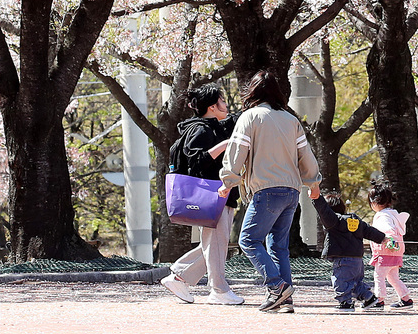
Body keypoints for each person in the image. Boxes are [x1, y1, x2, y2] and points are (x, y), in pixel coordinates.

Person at [219, 70, 322, 313]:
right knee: (278, 246)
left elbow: (236, 153)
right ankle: (284, 301)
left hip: (266, 189)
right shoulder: (290, 120)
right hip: (291, 191)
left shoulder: (250, 117)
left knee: (248, 240)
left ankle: (277, 287)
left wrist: (227, 182)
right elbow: (305, 155)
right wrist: (313, 182)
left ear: (253, 91)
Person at [161, 84, 244, 305]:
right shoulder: (200, 130)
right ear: (212, 107)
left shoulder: (213, 127)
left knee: (215, 244)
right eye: (222, 101)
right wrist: (226, 145)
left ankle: (179, 276)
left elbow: (234, 121)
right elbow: (196, 162)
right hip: (211, 195)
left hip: (219, 195)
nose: (226, 105)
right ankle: (219, 289)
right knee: (216, 244)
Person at [310, 189, 385, 311]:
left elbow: (324, 210)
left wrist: (316, 198)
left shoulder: (334, 221)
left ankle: (345, 303)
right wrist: (382, 238)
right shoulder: (354, 220)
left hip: (342, 259)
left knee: (341, 281)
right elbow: (368, 230)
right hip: (357, 260)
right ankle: (369, 298)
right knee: (355, 283)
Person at [367, 182, 413, 309]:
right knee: (393, 277)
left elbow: (388, 231)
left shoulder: (382, 216)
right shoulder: (393, 214)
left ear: (375, 202)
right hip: (396, 252)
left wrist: (388, 240)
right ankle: (406, 299)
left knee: (379, 276)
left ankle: (379, 300)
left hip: (386, 252)